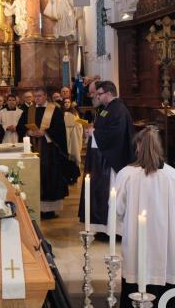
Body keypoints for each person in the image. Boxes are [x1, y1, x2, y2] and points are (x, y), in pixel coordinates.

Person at [116, 126, 175, 308]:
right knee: (161, 272)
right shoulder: (172, 175)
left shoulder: (126, 174)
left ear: (138, 146)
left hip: (137, 237)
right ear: (158, 147)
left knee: (138, 271)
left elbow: (117, 208)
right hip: (163, 239)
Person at [79, 80, 135, 237]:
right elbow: (103, 127)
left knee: (111, 193)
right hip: (102, 158)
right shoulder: (107, 109)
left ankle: (113, 230)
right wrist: (93, 130)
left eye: (99, 94)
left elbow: (115, 134)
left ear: (109, 93)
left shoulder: (118, 109)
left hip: (111, 161)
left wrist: (94, 134)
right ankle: (102, 227)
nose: (97, 96)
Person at [17, 88, 71, 219]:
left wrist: (46, 133)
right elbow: (20, 126)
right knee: (34, 174)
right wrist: (28, 132)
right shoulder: (29, 110)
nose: (37, 99)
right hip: (32, 147)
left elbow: (59, 129)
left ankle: (49, 209)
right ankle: (34, 206)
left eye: (40, 96)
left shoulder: (54, 110)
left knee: (49, 175)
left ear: (46, 96)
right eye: (35, 96)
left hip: (49, 150)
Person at [63, 98, 84, 166]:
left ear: (70, 103)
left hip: (73, 135)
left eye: (68, 102)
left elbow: (79, 124)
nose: (66, 103)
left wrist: (79, 125)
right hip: (64, 135)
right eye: (65, 102)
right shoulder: (60, 113)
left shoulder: (74, 112)